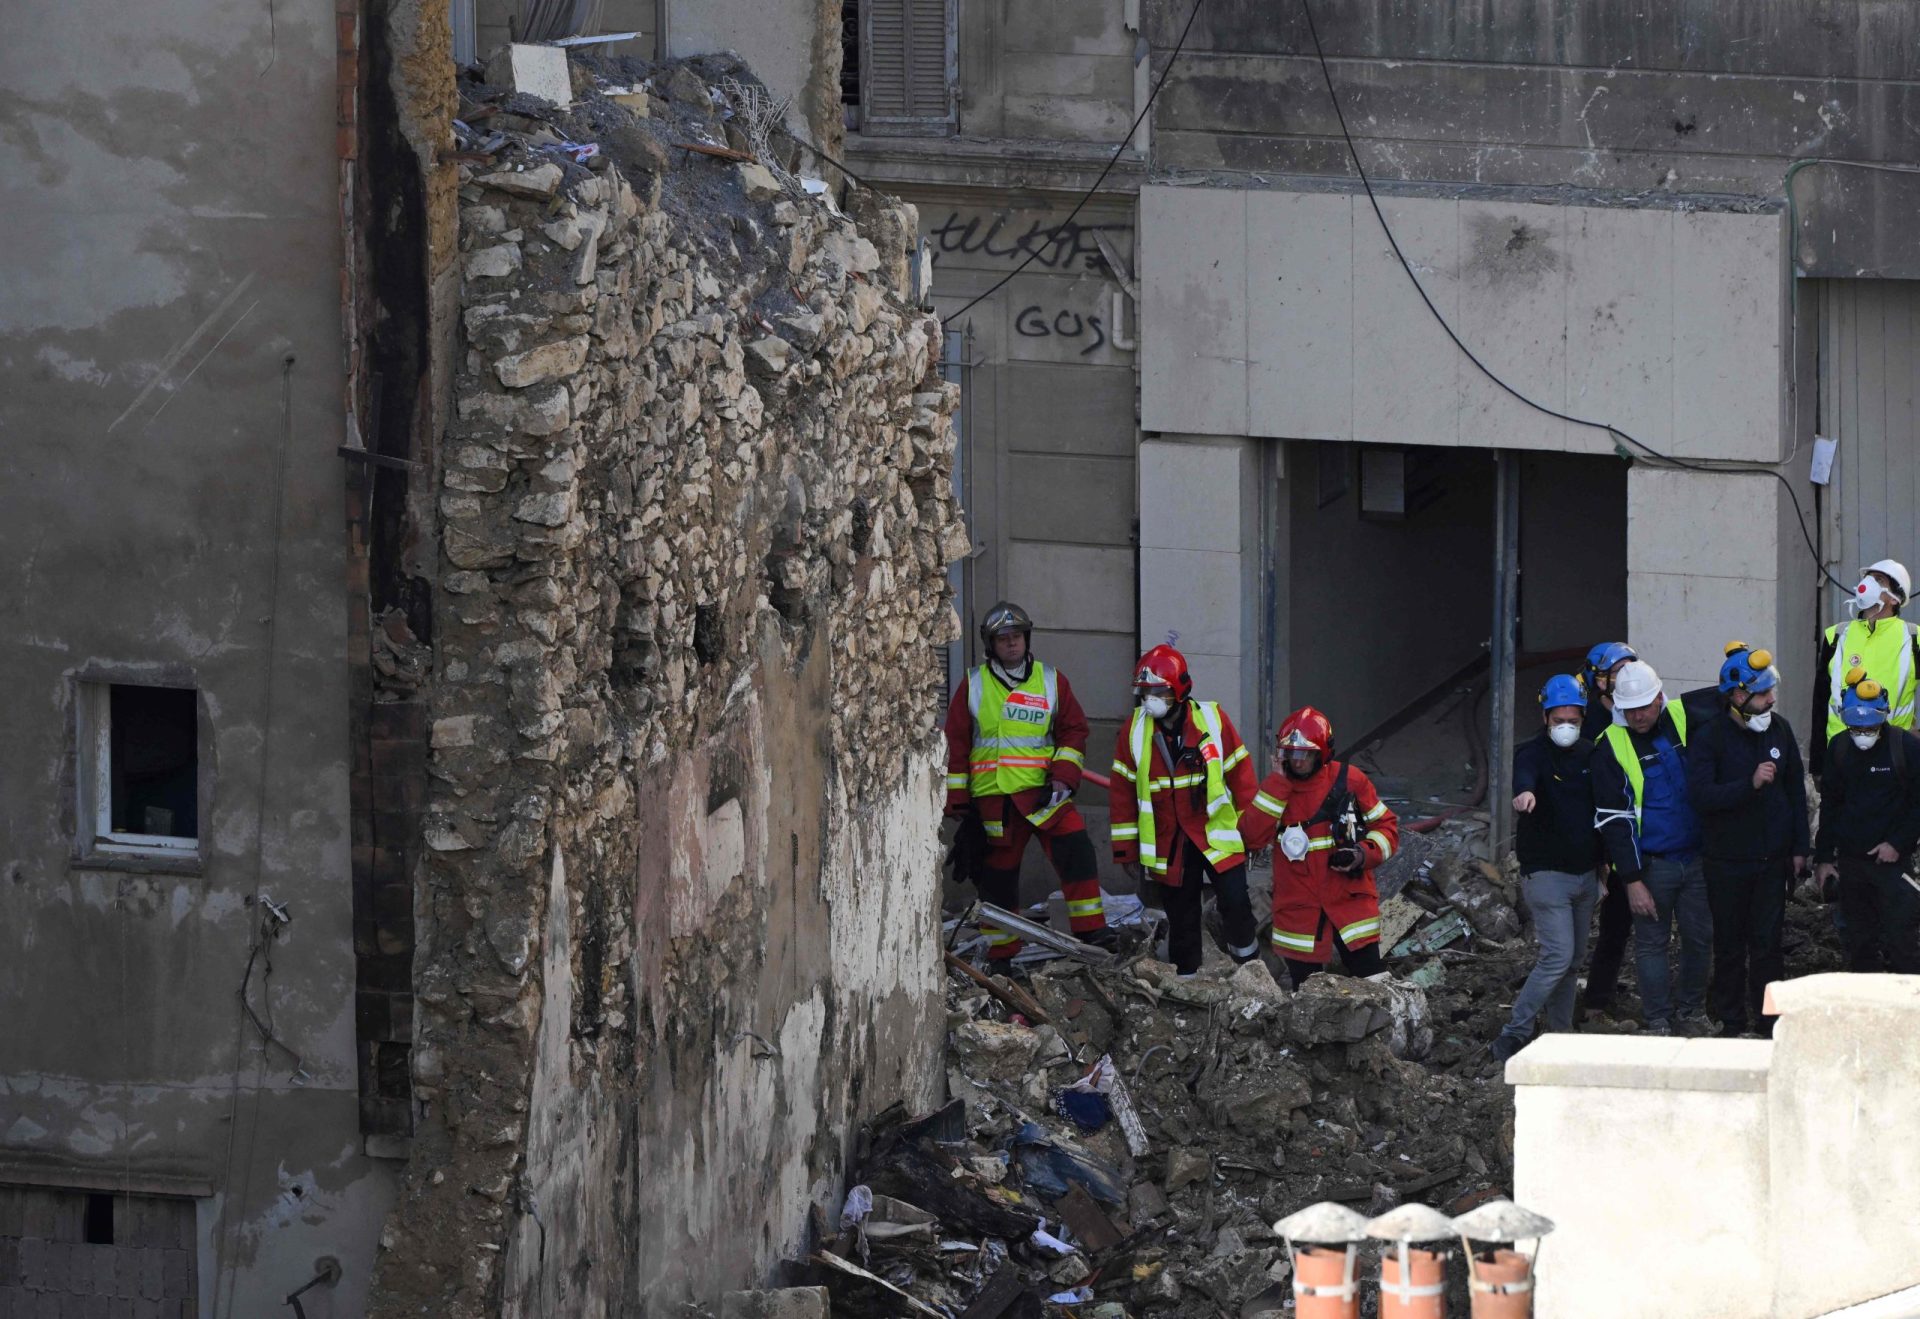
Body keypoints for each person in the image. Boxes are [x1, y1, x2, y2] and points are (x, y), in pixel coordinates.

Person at [943, 602, 1108, 959]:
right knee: (997, 881)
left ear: (1026, 638)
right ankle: (1001, 955)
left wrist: (1064, 779)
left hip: (1046, 797)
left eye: (1017, 636)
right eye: (1003, 639)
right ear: (991, 644)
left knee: (1078, 854)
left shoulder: (1051, 680)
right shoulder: (973, 684)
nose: (1012, 644)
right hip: (996, 801)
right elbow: (956, 742)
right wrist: (957, 801)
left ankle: (1093, 936)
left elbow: (1074, 731)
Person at [1108, 645, 1260, 978]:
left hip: (1214, 834)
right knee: (1182, 917)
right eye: (1145, 692)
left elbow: (1242, 775)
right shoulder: (1134, 731)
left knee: (1236, 904)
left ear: (1178, 690)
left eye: (1158, 691)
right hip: (1169, 840)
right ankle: (1187, 982)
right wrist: (1126, 850)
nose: (1150, 699)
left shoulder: (1213, 719)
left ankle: (1249, 971)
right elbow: (1121, 792)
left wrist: (1253, 832)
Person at [1685, 645, 1810, 1036]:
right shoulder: (1709, 739)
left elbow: (1795, 795)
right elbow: (1702, 797)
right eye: (1762, 693)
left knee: (1768, 946)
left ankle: (1770, 1022)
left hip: (1772, 862)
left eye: (1771, 691)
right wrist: (1749, 784)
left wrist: (1799, 848)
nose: (1771, 699)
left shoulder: (1780, 729)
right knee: (1729, 946)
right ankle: (1731, 1021)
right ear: (1737, 697)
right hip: (1726, 862)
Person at [1592, 659, 1713, 1036]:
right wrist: (1632, 879)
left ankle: (1691, 1011)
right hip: (1651, 865)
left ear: (1660, 697)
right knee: (1651, 944)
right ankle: (1658, 1020)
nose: (1638, 716)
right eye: (1630, 710)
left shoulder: (1681, 715)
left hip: (1696, 858)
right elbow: (1615, 820)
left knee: (1700, 938)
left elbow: (1729, 699)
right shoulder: (1610, 745)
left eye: (1645, 707)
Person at [1241, 706, 1400, 989]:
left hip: (1349, 902)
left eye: (1304, 754)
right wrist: (1277, 783)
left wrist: (1362, 854)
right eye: (1290, 753)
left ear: (1322, 752)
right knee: (1307, 994)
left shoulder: (1350, 780)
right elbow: (1250, 837)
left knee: (1374, 982)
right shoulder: (1277, 789)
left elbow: (1387, 828)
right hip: (1299, 908)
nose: (1297, 761)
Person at [1492, 675, 1603, 1063]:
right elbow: (1525, 779)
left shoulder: (1592, 755)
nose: (1566, 727)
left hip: (1586, 876)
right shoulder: (1532, 754)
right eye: (1559, 720)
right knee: (1558, 955)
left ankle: (1560, 1033)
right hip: (1546, 875)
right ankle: (1515, 1032)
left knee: (1572, 962)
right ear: (1546, 717)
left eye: (1573, 719)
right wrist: (1524, 795)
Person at [1813, 675, 1920, 974]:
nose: (1863, 734)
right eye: (1856, 728)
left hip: (1892, 867)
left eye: (1869, 728)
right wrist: (1823, 858)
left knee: (1903, 944)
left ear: (1882, 717)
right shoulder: (1839, 748)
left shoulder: (1905, 748)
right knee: (1860, 945)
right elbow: (1831, 805)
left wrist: (1898, 843)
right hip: (1851, 865)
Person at [1811, 559, 1920, 784]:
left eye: (1879, 580)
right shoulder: (1837, 636)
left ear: (1894, 597)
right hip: (1841, 754)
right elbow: (1820, 702)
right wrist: (1818, 763)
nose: (1867, 584)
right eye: (1867, 578)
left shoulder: (1914, 638)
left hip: (1894, 755)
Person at [1579, 640, 1638, 1018]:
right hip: (1588, 839)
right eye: (1615, 674)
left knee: (1617, 924)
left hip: (1624, 835)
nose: (1622, 681)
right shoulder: (1583, 724)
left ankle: (1599, 997)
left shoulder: (1636, 716)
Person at [1581, 641, 1638, 740]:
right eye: (1622, 670)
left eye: (1632, 668)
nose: (1630, 674)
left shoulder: (1643, 705)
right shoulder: (1590, 722)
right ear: (1601, 682)